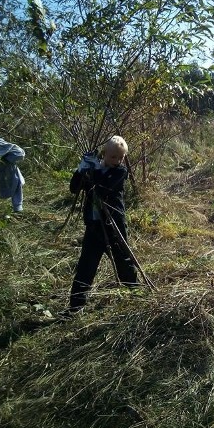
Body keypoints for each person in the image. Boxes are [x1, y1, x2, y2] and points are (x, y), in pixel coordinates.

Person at [63, 135, 138, 316]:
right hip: (94, 227)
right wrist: (81, 170)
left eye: (121, 157)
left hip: (114, 227)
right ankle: (75, 307)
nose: (117, 161)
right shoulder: (92, 170)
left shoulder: (120, 172)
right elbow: (74, 188)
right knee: (85, 266)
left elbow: (103, 187)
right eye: (113, 157)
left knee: (124, 262)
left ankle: (137, 295)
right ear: (104, 154)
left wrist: (92, 170)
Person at [0, 136, 26, 212]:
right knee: (13, 184)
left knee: (16, 184)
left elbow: (20, 154)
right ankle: (17, 207)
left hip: (10, 167)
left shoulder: (7, 146)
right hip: (4, 167)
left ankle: (17, 207)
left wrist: (6, 158)